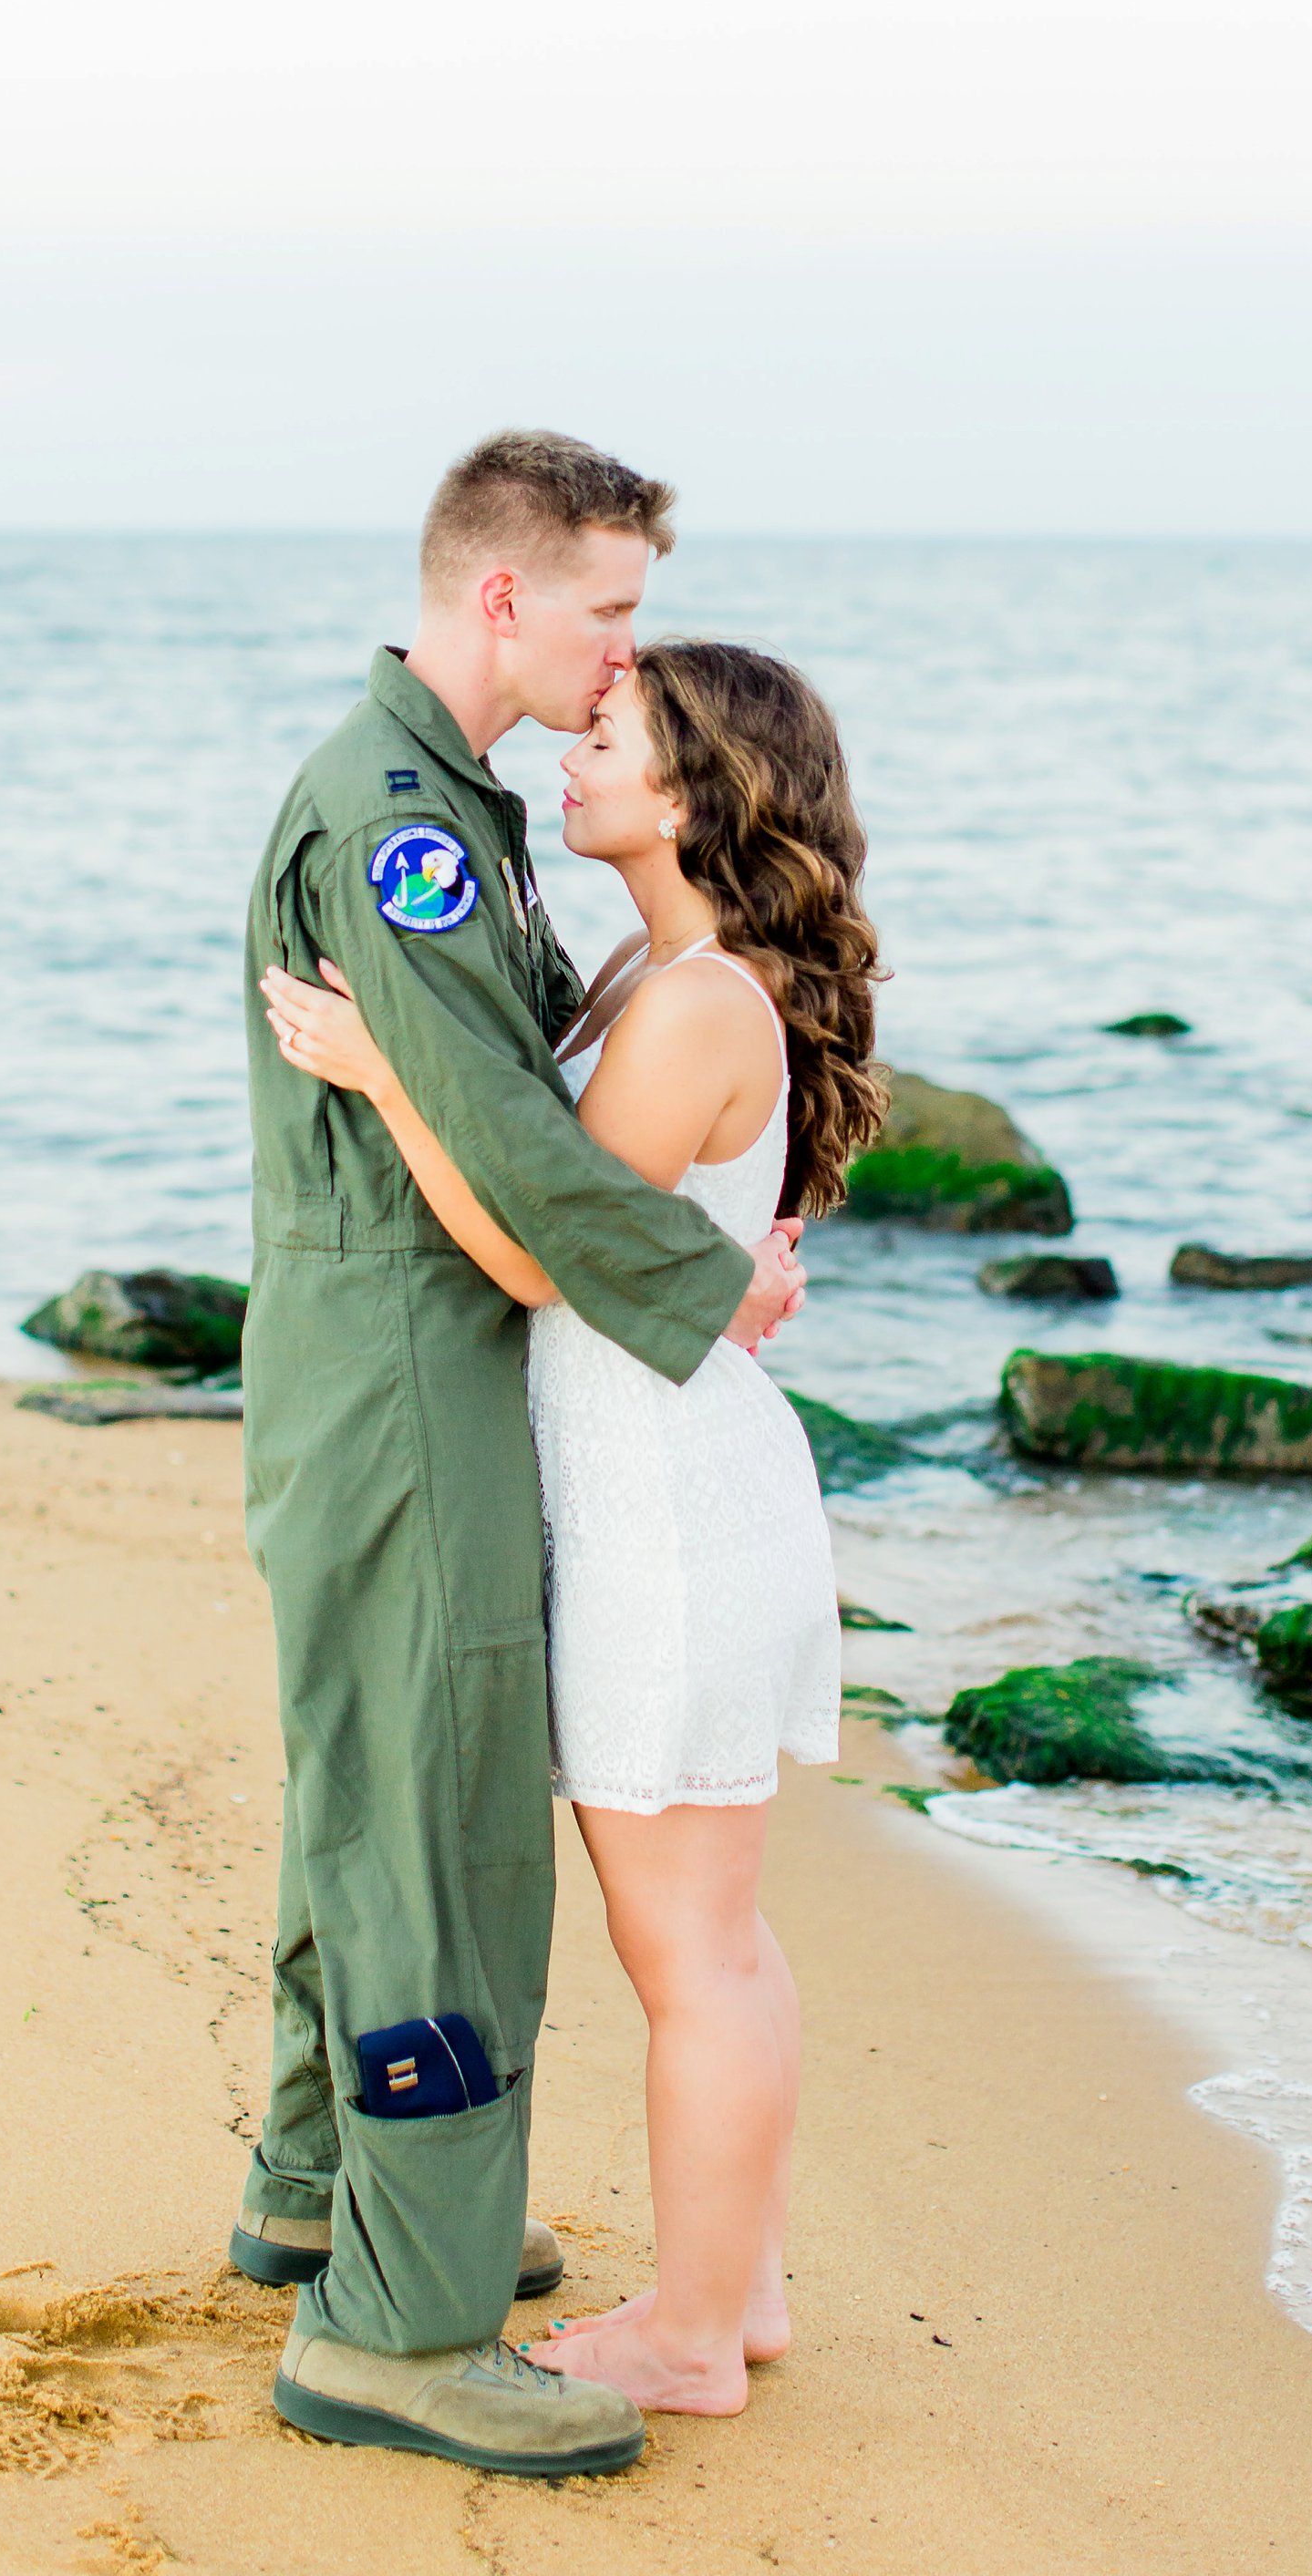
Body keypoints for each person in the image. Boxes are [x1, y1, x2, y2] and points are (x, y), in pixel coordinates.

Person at [234, 433, 809, 2478]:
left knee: (377, 1799)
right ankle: (395, 2321)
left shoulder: (453, 807)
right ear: (502, 596)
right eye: (610, 612)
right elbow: (494, 1136)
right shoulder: (408, 815)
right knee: (434, 1835)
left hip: (416, 1366)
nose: (620, 655)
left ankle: (326, 2201)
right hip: (408, 1372)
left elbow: (533, 1121)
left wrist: (699, 1259)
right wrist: (699, 1280)